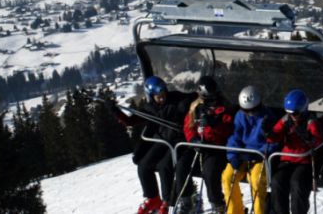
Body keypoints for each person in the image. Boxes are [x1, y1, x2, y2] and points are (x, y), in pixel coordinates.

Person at [114, 76, 195, 214]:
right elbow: (130, 121)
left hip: (177, 141)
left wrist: (186, 106)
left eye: (163, 95)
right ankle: (153, 198)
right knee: (143, 166)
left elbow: (193, 97)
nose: (162, 98)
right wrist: (115, 111)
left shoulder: (176, 99)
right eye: (158, 97)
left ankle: (168, 201)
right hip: (161, 141)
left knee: (165, 167)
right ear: (152, 96)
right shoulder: (149, 109)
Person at [173, 75, 235, 214]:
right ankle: (187, 200)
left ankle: (217, 205)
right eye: (207, 98)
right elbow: (188, 127)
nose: (211, 101)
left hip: (215, 148)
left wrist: (214, 125)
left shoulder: (223, 108)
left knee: (209, 172)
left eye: (213, 98)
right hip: (199, 145)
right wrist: (193, 139)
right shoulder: (196, 107)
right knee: (181, 165)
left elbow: (229, 129)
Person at [221, 85, 278, 214]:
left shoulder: (267, 117)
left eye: (253, 110)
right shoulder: (240, 116)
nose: (250, 114)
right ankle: (235, 211)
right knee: (227, 177)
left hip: (260, 156)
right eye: (246, 110)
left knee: (256, 181)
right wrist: (233, 155)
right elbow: (234, 137)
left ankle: (259, 211)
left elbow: (274, 141)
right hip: (243, 155)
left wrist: (260, 154)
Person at [266, 89, 323, 214]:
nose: (292, 116)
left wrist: (309, 139)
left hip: (304, 161)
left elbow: (318, 141)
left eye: (295, 113)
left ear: (303, 110)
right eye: (289, 113)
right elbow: (275, 136)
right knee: (277, 182)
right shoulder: (286, 120)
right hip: (287, 159)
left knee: (297, 183)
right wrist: (268, 133)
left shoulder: (310, 122)